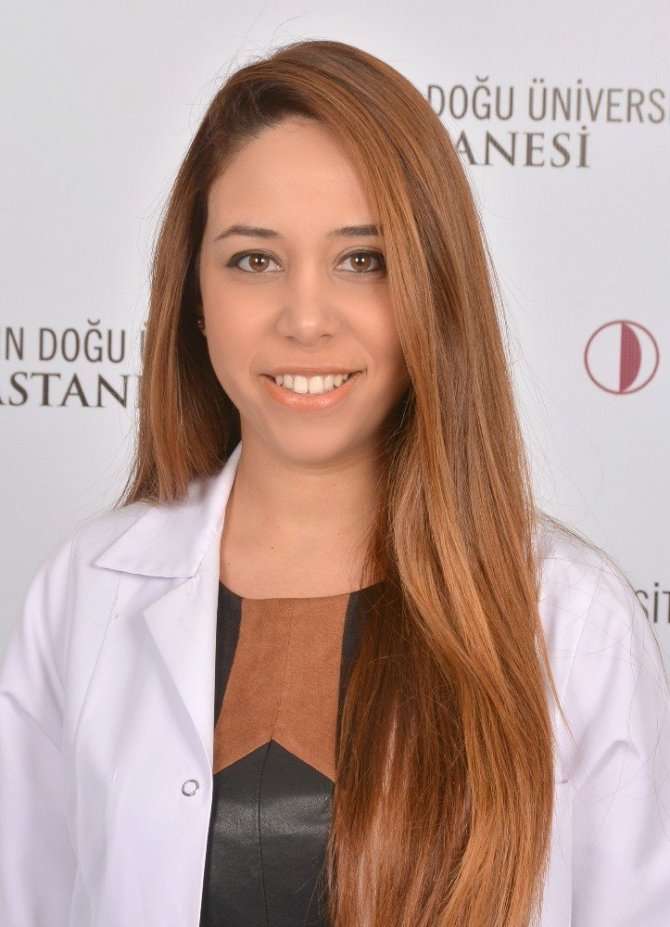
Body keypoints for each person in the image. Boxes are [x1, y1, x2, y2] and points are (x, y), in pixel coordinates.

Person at [1, 38, 669, 927]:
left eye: (363, 260)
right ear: (194, 293)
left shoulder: (572, 618)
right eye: (255, 259)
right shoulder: (87, 590)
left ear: (433, 289)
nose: (306, 318)